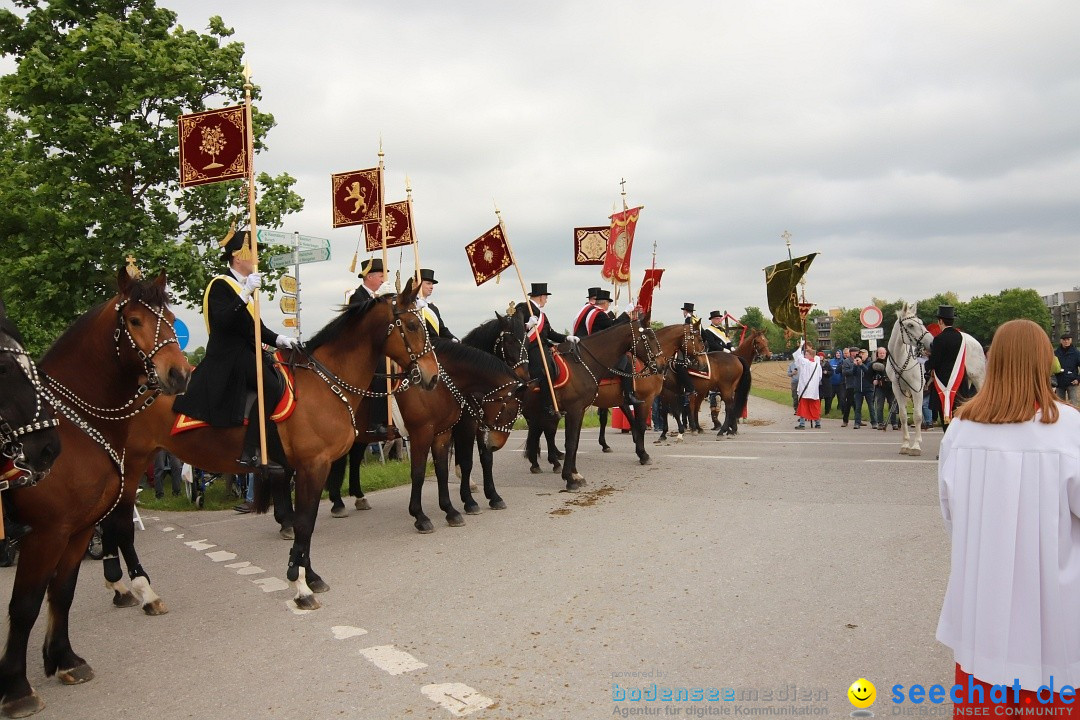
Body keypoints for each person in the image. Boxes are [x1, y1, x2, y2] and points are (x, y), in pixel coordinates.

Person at [937, 319, 1080, 716]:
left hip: (984, 594)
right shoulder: (1068, 430)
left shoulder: (962, 428)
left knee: (984, 691)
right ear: (1042, 362)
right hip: (1053, 596)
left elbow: (951, 513)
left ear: (995, 360)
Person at [173, 226, 299, 480]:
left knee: (281, 377)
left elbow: (256, 328)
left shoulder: (246, 289)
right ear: (238, 256)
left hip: (247, 352)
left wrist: (280, 339)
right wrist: (243, 294)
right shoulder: (220, 285)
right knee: (271, 387)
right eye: (253, 252)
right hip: (228, 356)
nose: (257, 258)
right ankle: (250, 448)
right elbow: (222, 322)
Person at [516, 283, 576, 417]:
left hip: (543, 347)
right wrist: (527, 325)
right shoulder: (523, 307)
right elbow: (514, 327)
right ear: (541, 297)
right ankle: (546, 406)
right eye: (546, 297)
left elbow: (550, 333)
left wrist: (567, 338)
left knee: (555, 368)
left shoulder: (542, 315)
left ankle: (554, 401)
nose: (546, 300)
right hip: (530, 348)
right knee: (545, 371)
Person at [575, 289, 641, 405]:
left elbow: (605, 322)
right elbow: (612, 326)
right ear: (604, 303)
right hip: (595, 350)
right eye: (608, 303)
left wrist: (613, 314)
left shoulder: (592, 311)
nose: (608, 305)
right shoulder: (598, 313)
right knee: (627, 363)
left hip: (588, 346)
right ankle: (628, 394)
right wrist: (626, 312)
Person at [926, 305, 974, 427]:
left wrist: (927, 362)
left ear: (940, 321)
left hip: (943, 382)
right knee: (959, 416)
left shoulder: (939, 339)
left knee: (944, 416)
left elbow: (934, 362)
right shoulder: (961, 337)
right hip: (959, 382)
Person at [415, 268, 455, 340]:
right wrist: (416, 308)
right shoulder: (409, 303)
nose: (431, 287)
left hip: (435, 345)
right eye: (428, 283)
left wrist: (453, 338)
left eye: (432, 284)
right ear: (418, 283)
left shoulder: (432, 307)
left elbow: (441, 329)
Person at [790, 340, 822, 429]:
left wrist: (800, 346)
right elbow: (820, 377)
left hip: (805, 389)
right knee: (814, 406)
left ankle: (802, 424)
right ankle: (817, 423)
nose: (805, 356)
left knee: (803, 406)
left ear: (810, 355)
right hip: (814, 390)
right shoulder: (817, 365)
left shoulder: (805, 363)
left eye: (806, 354)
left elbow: (797, 356)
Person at [869, 346, 896, 431]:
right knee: (879, 406)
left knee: (892, 405)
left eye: (883, 353)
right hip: (880, 387)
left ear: (886, 353)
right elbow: (868, 375)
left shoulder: (891, 363)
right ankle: (880, 422)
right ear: (877, 354)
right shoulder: (873, 364)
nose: (882, 354)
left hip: (890, 386)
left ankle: (894, 423)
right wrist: (873, 380)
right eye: (880, 353)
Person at [1054, 332, 1079, 405]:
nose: (1066, 341)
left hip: (1072, 383)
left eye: (1068, 339)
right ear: (1061, 341)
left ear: (1071, 340)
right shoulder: (1055, 353)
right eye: (1064, 340)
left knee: (1074, 405)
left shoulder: (1076, 353)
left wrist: (1078, 379)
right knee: (1060, 405)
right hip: (1059, 383)